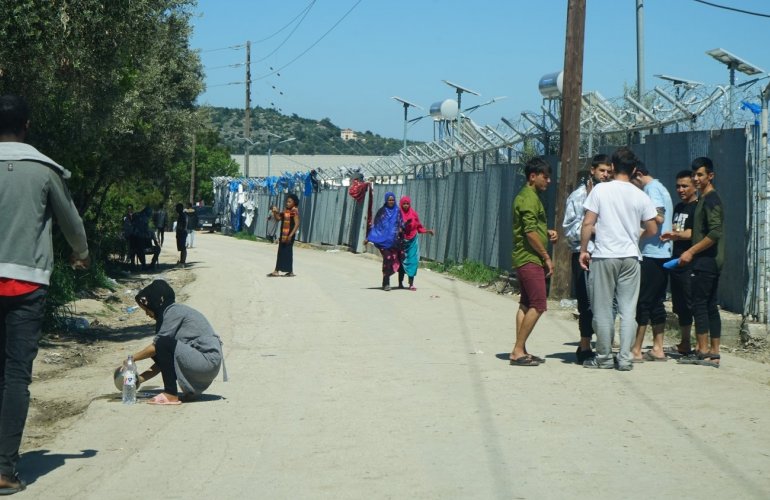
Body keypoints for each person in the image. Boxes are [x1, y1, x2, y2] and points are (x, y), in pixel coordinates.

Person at [0, 95, 90, 494]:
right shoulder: (43, 169)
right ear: (27, 125)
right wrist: (82, 254)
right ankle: (4, 470)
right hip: (26, 283)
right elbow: (71, 221)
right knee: (15, 376)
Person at [579, 147, 658, 371]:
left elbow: (587, 223)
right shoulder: (640, 195)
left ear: (612, 167)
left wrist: (584, 249)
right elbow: (652, 228)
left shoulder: (601, 191)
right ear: (634, 170)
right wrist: (636, 236)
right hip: (631, 257)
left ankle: (603, 357)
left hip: (605, 255)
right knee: (628, 311)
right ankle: (625, 358)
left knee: (603, 310)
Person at [123, 280, 223, 405]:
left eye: (147, 309)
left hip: (206, 362)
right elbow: (164, 361)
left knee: (161, 344)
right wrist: (139, 379)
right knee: (162, 347)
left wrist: (131, 359)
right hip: (206, 365)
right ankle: (175, 393)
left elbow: (157, 346)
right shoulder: (171, 313)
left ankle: (170, 394)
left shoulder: (173, 312)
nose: (147, 314)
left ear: (155, 304)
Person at [562, 154, 612, 364]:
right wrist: (589, 225)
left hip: (607, 253)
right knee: (587, 303)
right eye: (602, 171)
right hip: (585, 254)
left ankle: (604, 344)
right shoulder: (579, 196)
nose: (605, 175)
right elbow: (569, 229)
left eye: (609, 172)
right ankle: (584, 345)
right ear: (592, 171)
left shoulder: (611, 194)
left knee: (607, 303)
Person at [509, 157, 558, 366]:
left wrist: (545, 232)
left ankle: (521, 348)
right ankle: (517, 350)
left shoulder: (527, 196)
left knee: (526, 304)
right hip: (530, 258)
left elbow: (529, 227)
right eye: (545, 177)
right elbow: (529, 232)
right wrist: (547, 257)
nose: (548, 181)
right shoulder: (529, 198)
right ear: (533, 176)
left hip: (523, 256)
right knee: (538, 304)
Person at [677, 157, 724, 368]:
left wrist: (691, 252)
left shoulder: (711, 200)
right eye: (694, 174)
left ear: (710, 176)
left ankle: (703, 350)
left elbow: (715, 232)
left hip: (706, 261)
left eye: (700, 175)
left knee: (700, 304)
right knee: (710, 305)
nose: (696, 178)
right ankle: (714, 353)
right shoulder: (704, 199)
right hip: (708, 260)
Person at [630, 164, 673, 362]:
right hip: (662, 253)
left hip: (652, 252)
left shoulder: (651, 189)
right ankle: (657, 348)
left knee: (644, 301)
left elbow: (658, 216)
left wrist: (639, 227)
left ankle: (636, 349)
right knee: (656, 301)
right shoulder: (661, 187)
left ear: (638, 175)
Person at [660, 170, 698, 355]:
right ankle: (684, 343)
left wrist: (675, 234)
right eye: (678, 186)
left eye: (685, 186)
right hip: (676, 261)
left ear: (694, 186)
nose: (680, 190)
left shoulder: (697, 207)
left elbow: (694, 233)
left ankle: (700, 343)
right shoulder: (679, 207)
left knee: (692, 304)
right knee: (681, 305)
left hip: (690, 262)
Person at [364, 192, 403, 291]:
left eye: (392, 200)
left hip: (393, 241)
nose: (391, 201)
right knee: (388, 258)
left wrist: (404, 228)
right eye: (389, 200)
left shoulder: (398, 211)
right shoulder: (382, 211)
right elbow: (376, 225)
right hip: (382, 240)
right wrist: (368, 238)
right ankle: (386, 283)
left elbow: (401, 223)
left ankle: (386, 281)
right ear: (386, 200)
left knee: (394, 259)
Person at [397, 195, 435, 291]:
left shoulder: (413, 214)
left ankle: (411, 284)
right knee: (402, 263)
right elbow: (394, 228)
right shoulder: (398, 214)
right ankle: (400, 283)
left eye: (407, 203)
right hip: (402, 241)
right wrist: (402, 227)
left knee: (413, 262)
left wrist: (427, 231)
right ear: (401, 204)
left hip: (412, 241)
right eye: (404, 204)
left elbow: (419, 227)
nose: (406, 205)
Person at [266, 194, 300, 277]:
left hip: (289, 236)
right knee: (281, 252)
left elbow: (297, 224)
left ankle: (287, 271)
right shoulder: (286, 211)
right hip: (283, 235)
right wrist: (274, 212)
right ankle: (277, 270)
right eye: (287, 201)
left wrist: (291, 235)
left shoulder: (294, 211)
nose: (287, 203)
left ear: (294, 203)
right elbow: (278, 219)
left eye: (289, 202)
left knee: (287, 252)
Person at [175, 203, 187, 267]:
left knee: (183, 248)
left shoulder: (182, 215)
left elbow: (183, 225)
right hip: (181, 233)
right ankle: (182, 261)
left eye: (177, 208)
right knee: (181, 248)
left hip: (182, 233)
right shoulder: (181, 215)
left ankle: (183, 262)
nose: (176, 209)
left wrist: (180, 232)